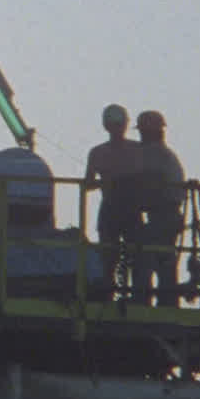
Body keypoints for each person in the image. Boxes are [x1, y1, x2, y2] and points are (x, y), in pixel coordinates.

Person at [82, 105, 142, 297]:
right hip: (120, 209)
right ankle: (121, 294)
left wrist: (106, 180)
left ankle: (117, 294)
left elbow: (88, 183)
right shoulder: (135, 150)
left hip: (122, 209)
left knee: (129, 254)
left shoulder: (99, 152)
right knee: (114, 255)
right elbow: (89, 182)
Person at [133, 110, 187, 306]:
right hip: (167, 214)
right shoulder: (165, 154)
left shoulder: (155, 154)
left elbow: (151, 184)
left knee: (145, 259)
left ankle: (142, 301)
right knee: (164, 259)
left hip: (162, 213)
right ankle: (168, 301)